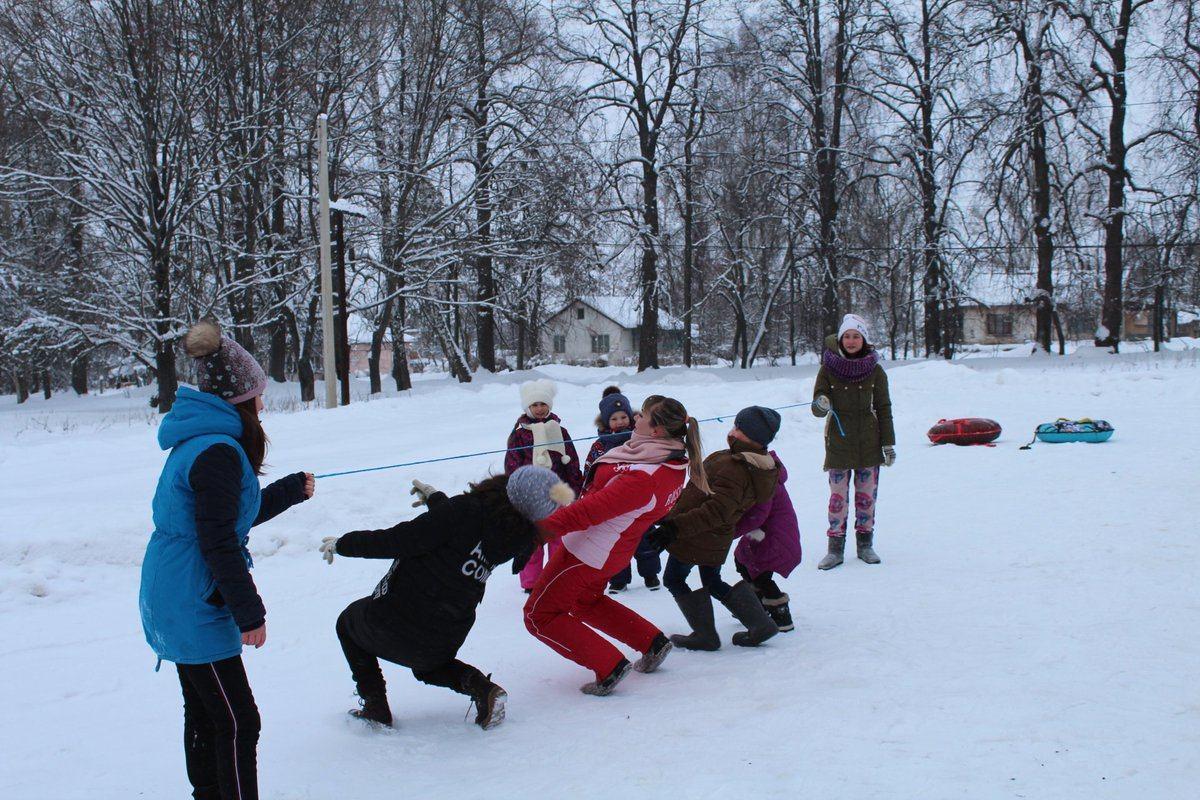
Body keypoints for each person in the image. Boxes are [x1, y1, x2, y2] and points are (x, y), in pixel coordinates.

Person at [140, 320, 314, 800]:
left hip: (176, 588)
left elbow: (228, 516)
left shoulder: (205, 441)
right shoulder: (216, 450)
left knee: (207, 713)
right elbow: (217, 539)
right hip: (194, 595)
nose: (264, 403)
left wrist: (289, 491)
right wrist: (249, 612)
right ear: (239, 398)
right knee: (239, 722)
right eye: (258, 394)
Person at [319, 466, 572, 730]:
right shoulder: (516, 536)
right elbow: (467, 528)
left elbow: (400, 539)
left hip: (401, 615)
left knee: (347, 622)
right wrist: (435, 499)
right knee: (429, 665)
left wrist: (344, 544)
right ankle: (482, 688)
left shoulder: (465, 511)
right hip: (449, 630)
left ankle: (375, 707)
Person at [523, 396, 706, 696]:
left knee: (538, 614)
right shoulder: (667, 457)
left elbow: (588, 512)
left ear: (658, 431)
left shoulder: (646, 477)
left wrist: (532, 534)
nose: (636, 418)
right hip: (613, 550)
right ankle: (651, 642)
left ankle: (608, 666)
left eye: (644, 415)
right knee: (586, 602)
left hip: (588, 551)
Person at [650, 407, 781, 651]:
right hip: (713, 538)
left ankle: (705, 635)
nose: (732, 431)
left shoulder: (738, 468)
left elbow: (717, 511)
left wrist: (673, 528)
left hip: (696, 536)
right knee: (712, 580)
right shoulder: (743, 460)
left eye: (739, 429)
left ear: (754, 438)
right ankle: (760, 623)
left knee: (673, 579)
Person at [812, 313, 896, 570]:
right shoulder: (828, 369)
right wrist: (821, 403)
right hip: (839, 443)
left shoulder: (876, 371)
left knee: (866, 498)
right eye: (846, 336)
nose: (850, 341)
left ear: (864, 340)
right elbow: (817, 406)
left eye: (855, 336)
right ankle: (835, 549)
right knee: (838, 499)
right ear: (840, 339)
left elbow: (884, 408)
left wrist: (888, 443)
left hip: (869, 444)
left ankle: (865, 545)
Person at [504, 379, 584, 592]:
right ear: (527, 407)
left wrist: (575, 486)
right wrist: (517, 490)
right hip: (531, 496)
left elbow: (571, 459)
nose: (539, 409)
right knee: (532, 539)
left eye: (543, 404)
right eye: (535, 405)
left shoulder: (560, 431)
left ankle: (555, 576)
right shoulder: (519, 435)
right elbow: (512, 463)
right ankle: (531, 582)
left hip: (558, 492)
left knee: (558, 537)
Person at [584, 386, 662, 594]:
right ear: (605, 422)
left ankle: (650, 574)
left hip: (638, 499)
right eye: (614, 419)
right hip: (612, 502)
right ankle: (618, 579)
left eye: (623, 417)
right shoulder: (600, 445)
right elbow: (591, 468)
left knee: (644, 539)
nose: (620, 422)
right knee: (615, 544)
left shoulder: (639, 439)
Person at [732, 451, 801, 632]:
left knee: (760, 573)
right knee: (742, 561)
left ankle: (781, 614)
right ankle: (757, 604)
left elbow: (756, 516)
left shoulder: (765, 481)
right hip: (767, 535)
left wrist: (729, 531)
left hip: (774, 539)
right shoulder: (766, 473)